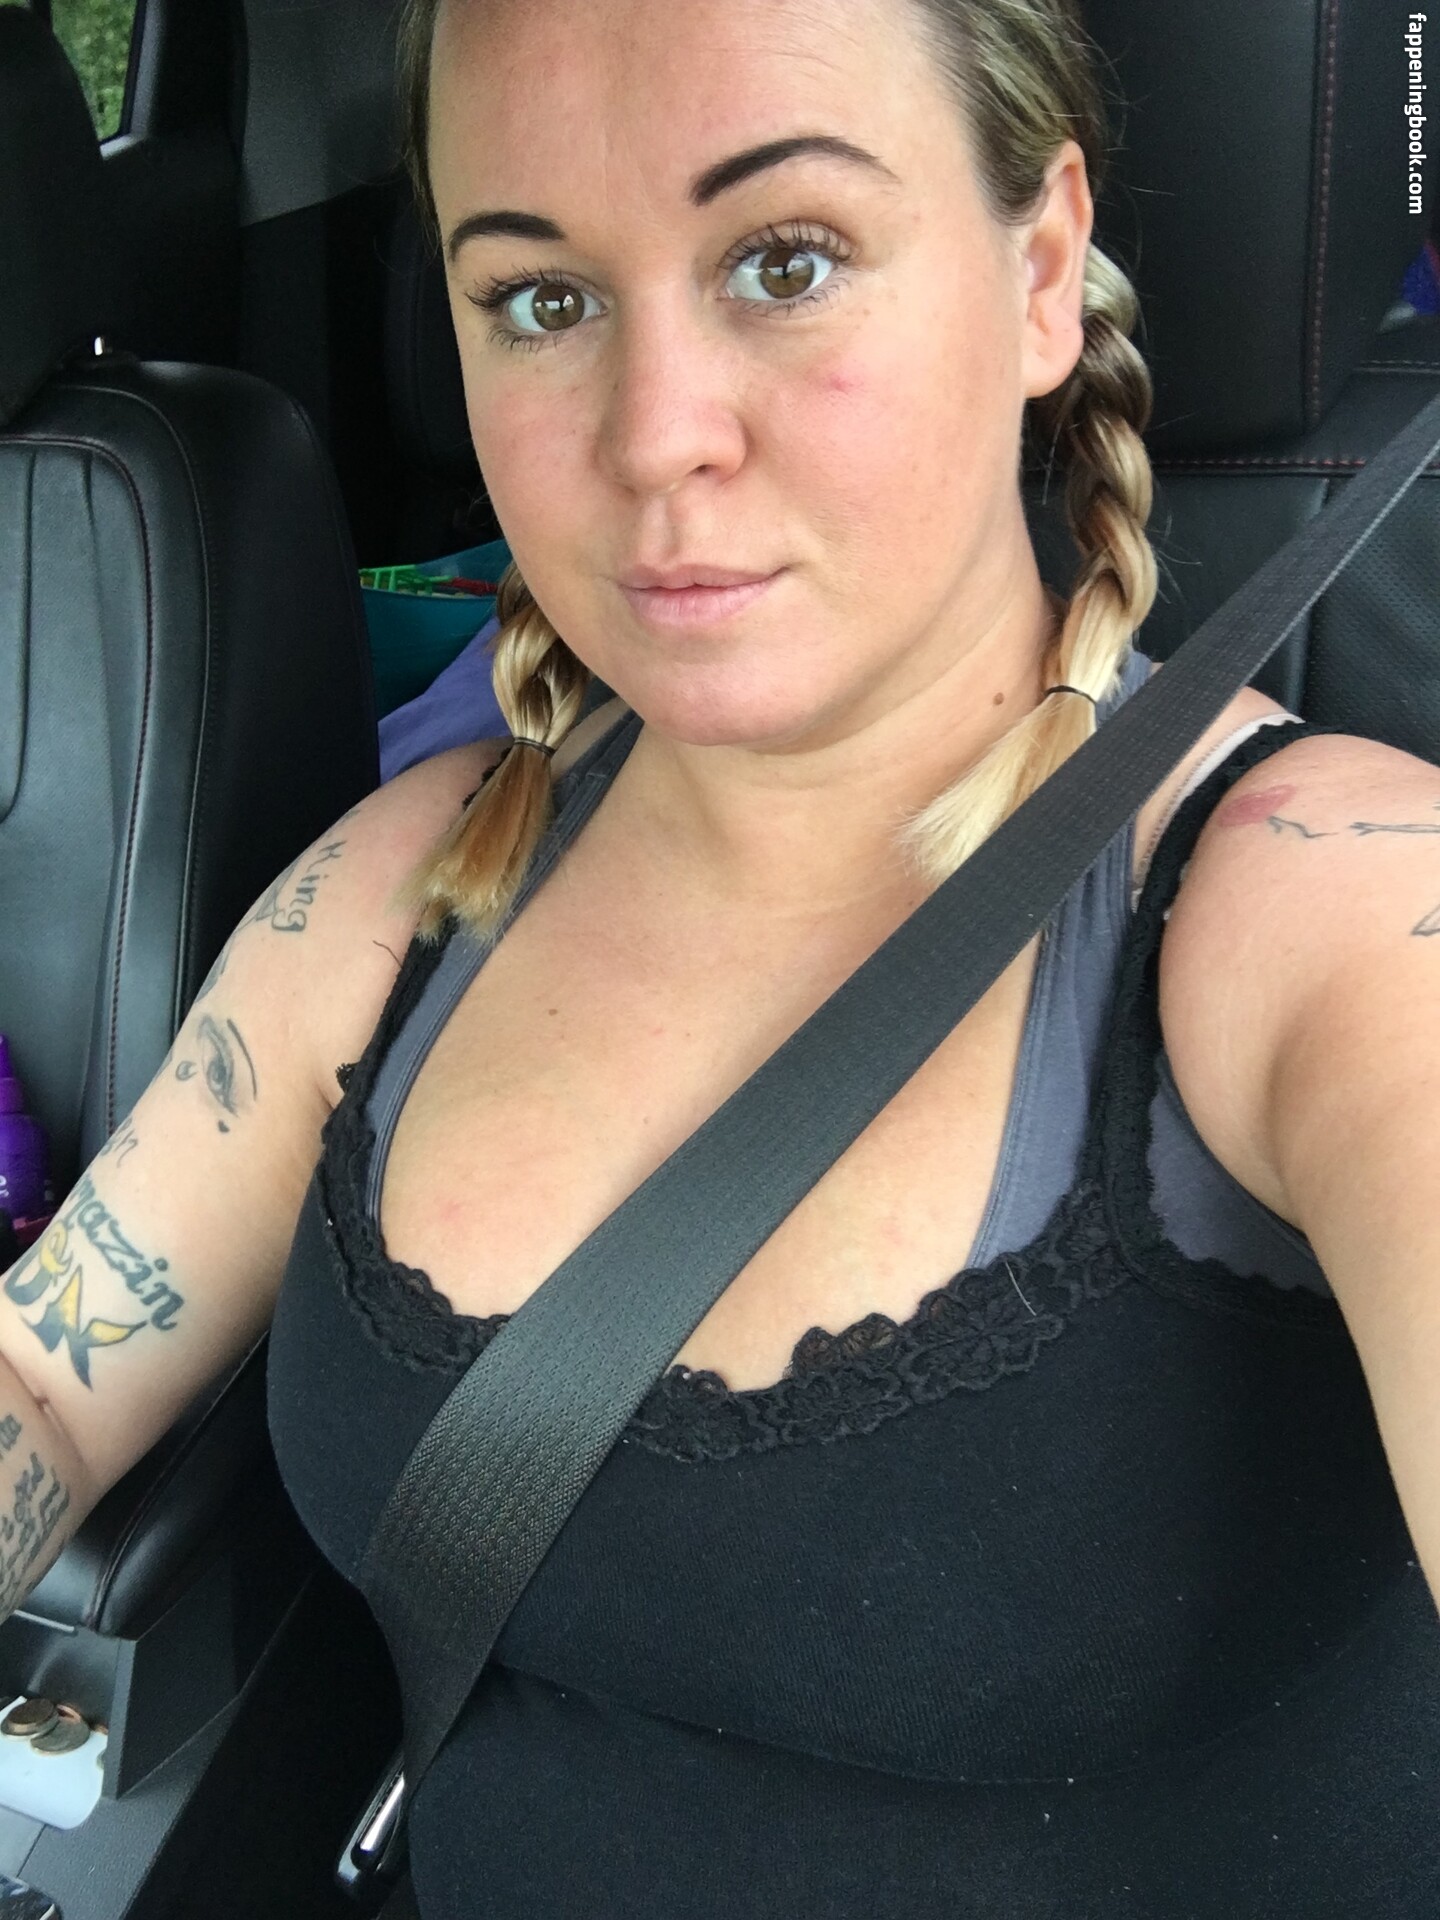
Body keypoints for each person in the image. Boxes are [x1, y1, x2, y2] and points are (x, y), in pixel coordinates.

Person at [4, 0, 1439, 1911]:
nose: (653, 435)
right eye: (541, 301)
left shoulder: (1333, 917)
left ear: (1039, 274)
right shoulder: (399, 888)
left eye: (786, 261)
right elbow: (43, 1378)